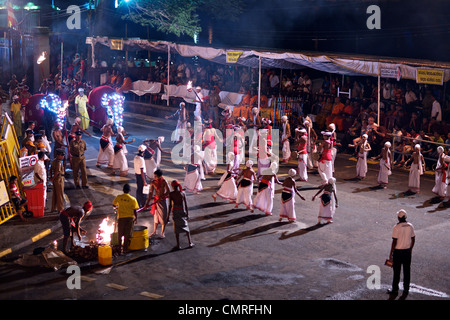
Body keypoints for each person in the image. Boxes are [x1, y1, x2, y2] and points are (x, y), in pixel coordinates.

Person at [387, 209, 415, 297]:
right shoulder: (410, 226)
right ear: (405, 217)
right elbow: (413, 239)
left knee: (396, 272)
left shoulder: (396, 227)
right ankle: (406, 289)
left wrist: (391, 253)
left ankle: (395, 290)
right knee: (407, 271)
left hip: (398, 252)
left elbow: (394, 241)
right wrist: (410, 249)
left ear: (398, 218)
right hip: (407, 251)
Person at [113, 184, 139, 254]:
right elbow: (135, 210)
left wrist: (116, 208)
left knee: (120, 234)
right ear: (129, 190)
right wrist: (136, 218)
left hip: (121, 218)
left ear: (123, 190)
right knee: (127, 234)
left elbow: (114, 205)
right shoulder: (133, 199)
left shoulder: (119, 197)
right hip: (129, 219)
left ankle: (119, 248)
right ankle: (124, 249)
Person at [168, 180, 194, 250]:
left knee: (176, 229)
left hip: (175, 211)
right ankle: (190, 242)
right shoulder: (182, 193)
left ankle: (178, 245)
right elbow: (185, 204)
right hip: (182, 210)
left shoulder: (171, 194)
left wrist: (168, 216)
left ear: (172, 186)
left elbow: (170, 205)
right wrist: (187, 214)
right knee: (185, 226)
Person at [145, 169, 170, 239]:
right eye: (154, 176)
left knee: (163, 216)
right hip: (156, 201)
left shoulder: (164, 182)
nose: (154, 177)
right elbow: (150, 193)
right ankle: (155, 231)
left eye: (155, 176)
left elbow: (168, 191)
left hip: (163, 201)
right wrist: (147, 203)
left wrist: (162, 196)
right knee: (156, 217)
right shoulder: (153, 182)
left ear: (159, 176)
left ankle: (162, 232)